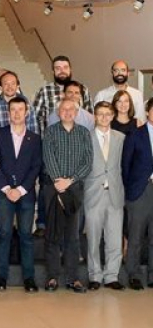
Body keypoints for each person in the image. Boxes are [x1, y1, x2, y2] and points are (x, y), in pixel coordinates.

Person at [0, 97, 43, 292]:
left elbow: (36, 166)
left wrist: (20, 190)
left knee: (26, 235)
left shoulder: (35, 138)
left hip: (26, 194)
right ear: (8, 112)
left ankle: (29, 278)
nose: (17, 113)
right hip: (4, 193)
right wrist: (7, 189)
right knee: (4, 234)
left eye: (21, 109)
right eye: (13, 109)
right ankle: (1, 278)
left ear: (27, 112)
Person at [42, 98, 93, 293]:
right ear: (58, 112)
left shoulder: (84, 133)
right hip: (53, 188)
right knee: (52, 233)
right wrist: (59, 181)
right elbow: (48, 157)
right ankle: (52, 277)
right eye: (64, 109)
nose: (68, 112)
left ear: (77, 112)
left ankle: (73, 278)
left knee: (73, 235)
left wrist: (70, 181)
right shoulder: (50, 132)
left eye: (71, 109)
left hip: (74, 189)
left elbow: (88, 162)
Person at [84, 101, 125, 291]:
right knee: (93, 238)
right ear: (94, 116)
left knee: (114, 238)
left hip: (115, 193)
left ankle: (111, 276)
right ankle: (94, 275)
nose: (104, 117)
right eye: (100, 114)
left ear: (112, 116)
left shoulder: (121, 138)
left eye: (107, 114)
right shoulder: (86, 137)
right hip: (93, 193)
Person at [121, 98, 153, 291]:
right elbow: (125, 165)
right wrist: (130, 190)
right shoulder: (135, 135)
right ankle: (133, 274)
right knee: (135, 236)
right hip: (140, 191)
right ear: (148, 112)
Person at [0, 71, 38, 136]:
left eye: (13, 83)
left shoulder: (28, 107)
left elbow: (34, 134)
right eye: (6, 84)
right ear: (0, 87)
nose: (9, 87)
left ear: (17, 86)